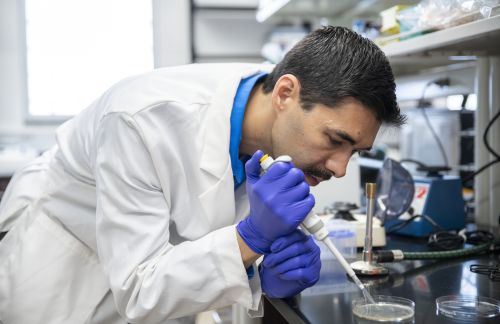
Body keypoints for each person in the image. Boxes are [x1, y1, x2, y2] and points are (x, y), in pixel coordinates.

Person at [0, 26, 405, 324]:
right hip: (67, 273)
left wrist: (260, 278)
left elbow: (196, 244)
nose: (339, 167)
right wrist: (249, 240)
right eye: (335, 139)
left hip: (159, 292)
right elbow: (140, 289)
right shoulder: (142, 121)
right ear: (285, 94)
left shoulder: (272, 117)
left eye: (355, 151)